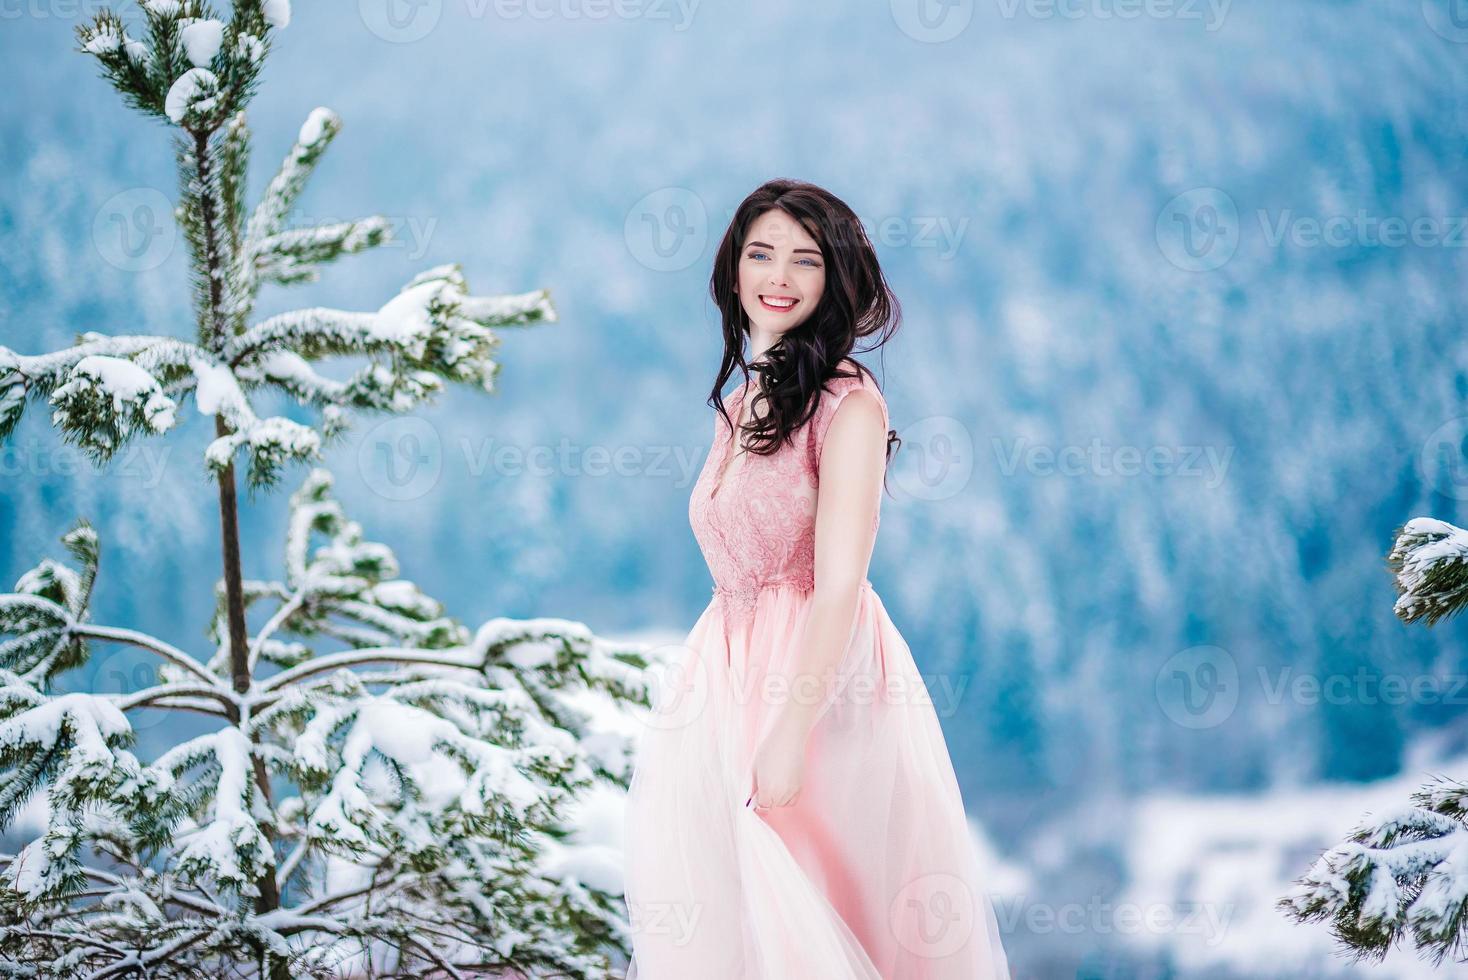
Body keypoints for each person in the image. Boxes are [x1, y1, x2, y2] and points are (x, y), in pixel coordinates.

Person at [622, 178, 1011, 979]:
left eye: (806, 260)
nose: (780, 275)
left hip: (818, 685)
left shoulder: (849, 401)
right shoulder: (740, 403)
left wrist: (789, 731)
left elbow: (839, 583)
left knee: (817, 911)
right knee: (737, 921)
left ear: (834, 279)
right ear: (733, 269)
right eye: (762, 253)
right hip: (725, 673)